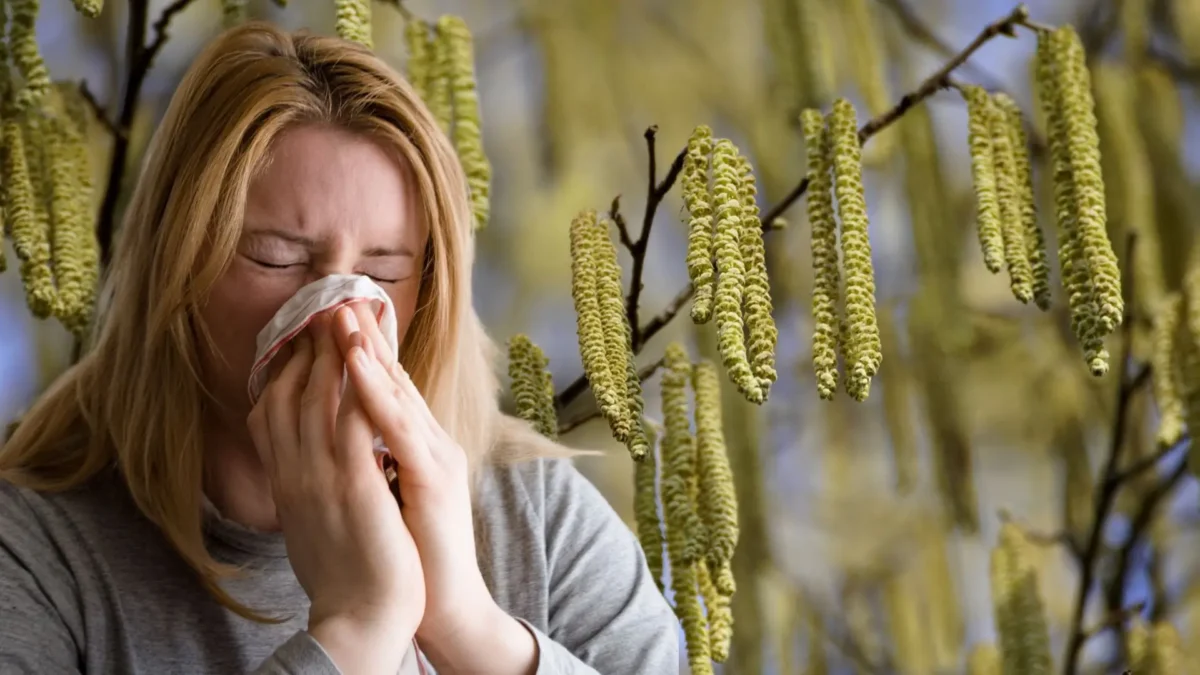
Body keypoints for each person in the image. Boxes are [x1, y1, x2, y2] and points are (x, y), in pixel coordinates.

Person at [0, 22, 679, 675]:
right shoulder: (34, 544)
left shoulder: (539, 521)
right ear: (175, 268)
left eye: (383, 272)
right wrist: (359, 625)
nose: (343, 315)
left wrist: (468, 629)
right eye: (275, 258)